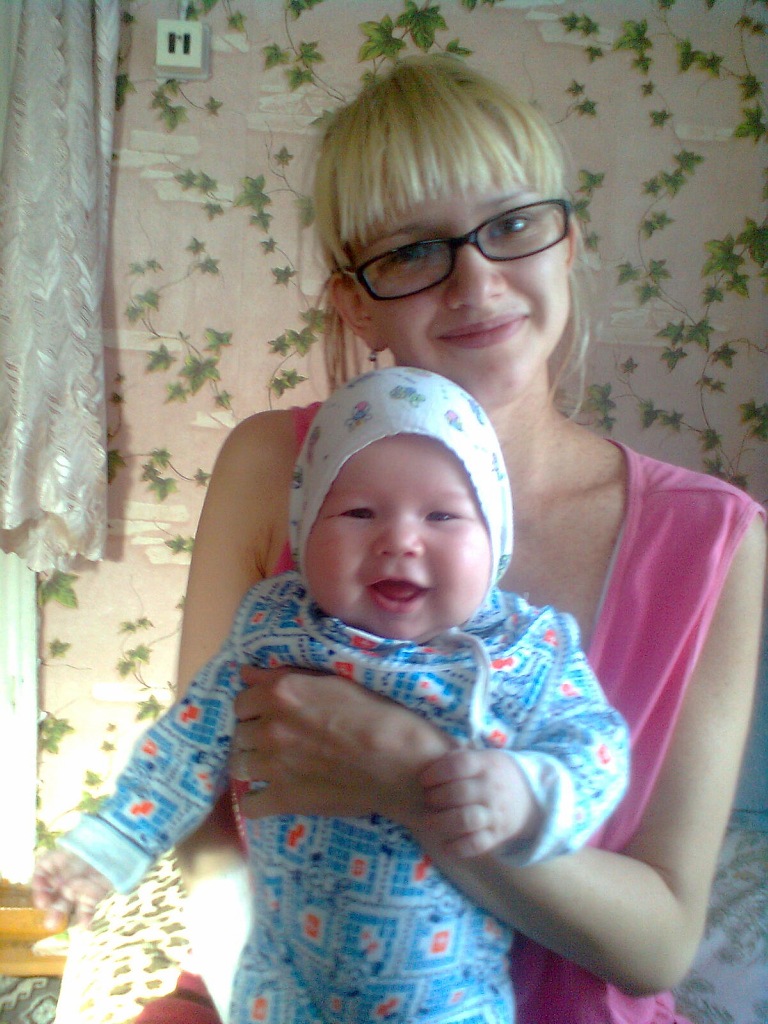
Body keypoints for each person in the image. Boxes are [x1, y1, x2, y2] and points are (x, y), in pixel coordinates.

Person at [59, 54, 764, 1024]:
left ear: (567, 244)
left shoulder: (714, 539)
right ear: (354, 300)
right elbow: (211, 812)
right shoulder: (268, 466)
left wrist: (403, 775)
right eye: (412, 250)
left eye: (512, 225)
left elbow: (656, 947)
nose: (477, 279)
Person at [33, 366, 630, 1024]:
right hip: (286, 983)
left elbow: (596, 745)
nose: (400, 540)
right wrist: (111, 844)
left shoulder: (523, 650)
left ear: (496, 540)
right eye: (359, 513)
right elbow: (185, 744)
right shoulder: (277, 634)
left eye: (442, 515)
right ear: (304, 533)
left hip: (446, 996)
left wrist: (530, 792)